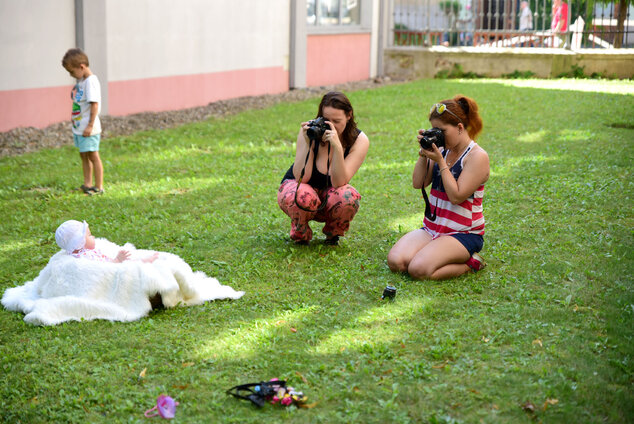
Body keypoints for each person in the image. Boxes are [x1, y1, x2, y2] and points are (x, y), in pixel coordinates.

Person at [387, 95, 489, 280]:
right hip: (432, 228)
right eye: (434, 130)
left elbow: (457, 196)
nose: (438, 135)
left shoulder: (477, 156)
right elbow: (418, 183)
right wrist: (423, 154)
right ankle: (434, 252)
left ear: (459, 127)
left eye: (441, 130)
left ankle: (471, 263)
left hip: (463, 234)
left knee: (418, 270)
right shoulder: (442, 149)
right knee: (396, 262)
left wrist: (441, 162)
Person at [277, 91, 370, 245]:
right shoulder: (310, 130)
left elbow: (339, 182)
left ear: (349, 115)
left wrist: (337, 147)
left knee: (348, 196)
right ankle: (300, 233)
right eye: (327, 120)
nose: (331, 126)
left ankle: (333, 234)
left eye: (337, 121)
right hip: (300, 191)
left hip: (330, 194)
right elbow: (303, 178)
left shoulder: (359, 140)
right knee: (301, 194)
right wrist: (308, 143)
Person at [61, 48, 104, 195]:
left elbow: (94, 104)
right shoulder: (82, 81)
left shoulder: (91, 81)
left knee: (93, 155)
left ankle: (99, 187)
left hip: (88, 128)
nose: (71, 75)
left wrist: (90, 125)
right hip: (80, 128)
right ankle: (87, 184)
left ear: (81, 66)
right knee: (83, 155)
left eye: (72, 72)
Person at [55, 220, 158, 264]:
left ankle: (143, 260)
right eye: (90, 235)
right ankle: (145, 262)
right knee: (130, 265)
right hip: (115, 267)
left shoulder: (80, 254)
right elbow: (104, 269)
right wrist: (117, 260)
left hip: (113, 261)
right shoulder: (86, 257)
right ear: (80, 243)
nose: (93, 237)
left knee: (129, 259)